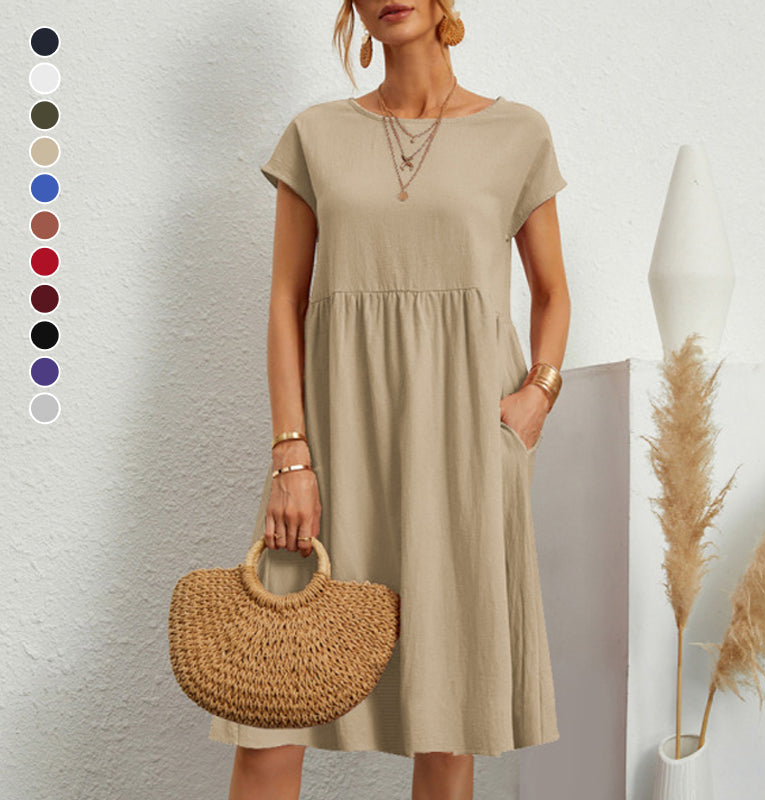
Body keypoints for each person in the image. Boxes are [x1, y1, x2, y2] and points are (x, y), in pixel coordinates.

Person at [209, 1, 571, 798]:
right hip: (334, 444)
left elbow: (552, 292)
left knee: (447, 723)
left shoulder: (518, 134)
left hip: (465, 446)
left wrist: (537, 396)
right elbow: (285, 301)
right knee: (271, 714)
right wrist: (291, 453)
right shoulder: (315, 135)